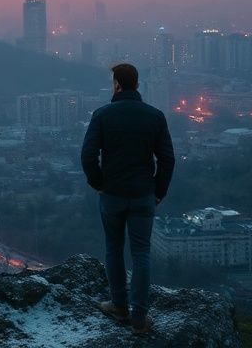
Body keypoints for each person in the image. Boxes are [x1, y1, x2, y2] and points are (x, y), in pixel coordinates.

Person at [81, 63, 175, 335]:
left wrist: (99, 183)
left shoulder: (102, 115)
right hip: (144, 194)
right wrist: (159, 191)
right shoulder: (155, 116)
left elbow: (88, 156)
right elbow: (167, 158)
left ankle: (119, 306)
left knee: (113, 248)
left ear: (117, 84)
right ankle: (140, 317)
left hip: (112, 195)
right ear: (137, 84)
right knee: (141, 253)